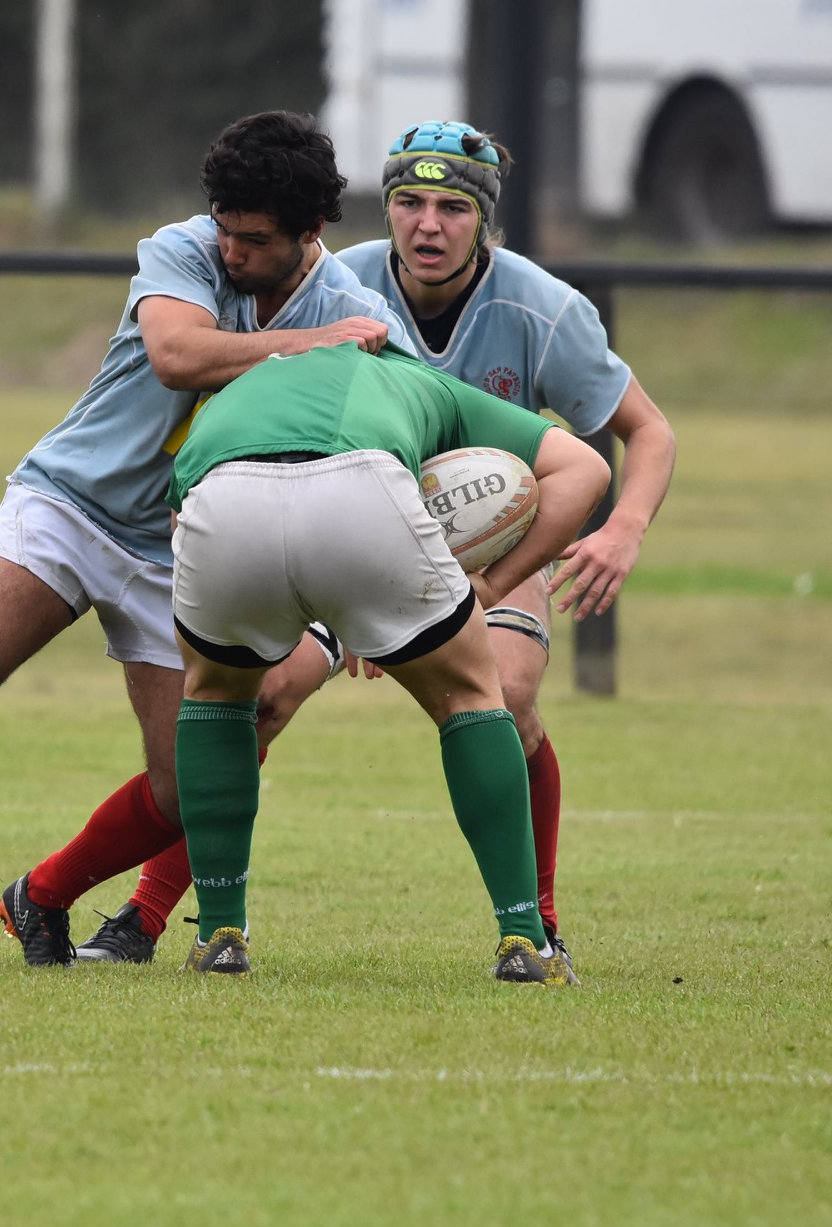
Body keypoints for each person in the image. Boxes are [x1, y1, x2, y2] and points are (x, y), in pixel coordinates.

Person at [0, 111, 408, 964]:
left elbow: (396, 448)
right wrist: (317, 347)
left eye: (254, 240)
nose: (230, 252)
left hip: (186, 558)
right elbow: (177, 354)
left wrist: (364, 607)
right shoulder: (184, 249)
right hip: (71, 503)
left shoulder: (359, 313)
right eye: (225, 229)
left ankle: (41, 893)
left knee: (185, 788)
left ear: (313, 232)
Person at [74, 120, 676, 973]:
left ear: (484, 221)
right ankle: (151, 912)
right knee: (270, 694)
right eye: (408, 203)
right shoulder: (338, 282)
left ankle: (538, 918)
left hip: (476, 536)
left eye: (451, 208)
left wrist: (621, 531)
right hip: (368, 510)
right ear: (382, 211)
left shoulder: (545, 307)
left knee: (505, 688)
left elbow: (645, 432)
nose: (427, 225)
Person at [166, 340, 608, 979]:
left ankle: (219, 935)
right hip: (362, 487)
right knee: (470, 694)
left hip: (222, 496)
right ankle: (525, 942)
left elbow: (181, 509)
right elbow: (586, 471)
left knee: (213, 694)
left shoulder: (243, 385)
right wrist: (484, 587)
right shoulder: (426, 385)